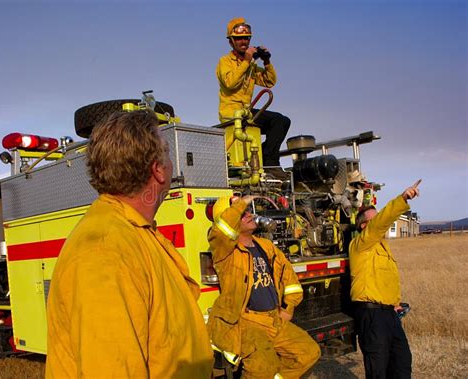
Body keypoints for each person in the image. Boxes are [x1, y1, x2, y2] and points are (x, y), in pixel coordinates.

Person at [46, 111, 213, 378]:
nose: (173, 165)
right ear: (157, 170)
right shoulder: (105, 251)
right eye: (167, 153)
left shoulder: (133, 234)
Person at [207, 195, 321, 378]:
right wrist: (241, 203)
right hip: (246, 322)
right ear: (230, 220)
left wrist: (288, 307)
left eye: (248, 211)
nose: (249, 214)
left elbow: (288, 276)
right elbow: (221, 232)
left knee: (308, 353)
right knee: (263, 365)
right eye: (242, 214)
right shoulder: (225, 252)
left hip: (274, 318)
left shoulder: (265, 246)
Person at [349, 179, 422, 378]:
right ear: (364, 226)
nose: (381, 220)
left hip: (390, 314)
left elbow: (385, 279)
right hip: (372, 317)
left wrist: (396, 303)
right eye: (376, 218)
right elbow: (382, 222)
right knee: (378, 371)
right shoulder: (360, 244)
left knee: (402, 364)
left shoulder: (381, 248)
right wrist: (403, 198)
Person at [217, 17, 291, 179]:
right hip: (232, 114)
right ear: (231, 42)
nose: (243, 41)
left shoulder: (249, 65)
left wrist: (266, 61)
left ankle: (268, 160)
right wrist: (247, 60)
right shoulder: (225, 62)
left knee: (281, 121)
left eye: (246, 38)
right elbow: (231, 83)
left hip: (247, 112)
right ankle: (268, 161)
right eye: (239, 39)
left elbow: (269, 81)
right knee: (276, 121)